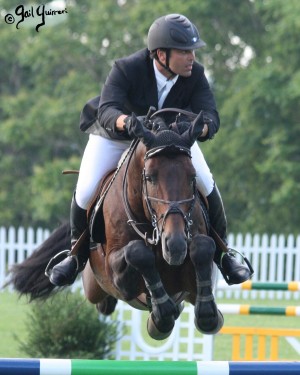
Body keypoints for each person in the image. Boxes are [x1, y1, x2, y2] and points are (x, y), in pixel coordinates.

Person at [49, 13, 253, 287]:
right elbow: (108, 109)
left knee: (206, 183)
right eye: (184, 51)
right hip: (118, 137)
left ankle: (224, 254)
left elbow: (211, 116)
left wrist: (199, 130)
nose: (192, 57)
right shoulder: (127, 68)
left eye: (192, 50)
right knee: (86, 189)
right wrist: (125, 121)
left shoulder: (196, 75)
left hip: (171, 141)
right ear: (161, 54)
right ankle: (74, 255)